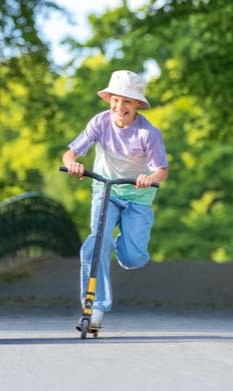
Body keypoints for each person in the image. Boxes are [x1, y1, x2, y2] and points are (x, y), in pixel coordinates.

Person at [61, 70, 169, 328]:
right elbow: (70, 153)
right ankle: (94, 309)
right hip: (106, 191)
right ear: (109, 99)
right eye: (116, 100)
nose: (120, 106)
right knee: (95, 245)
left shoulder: (148, 133)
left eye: (128, 101)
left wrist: (149, 177)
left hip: (138, 197)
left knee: (133, 258)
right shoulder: (99, 122)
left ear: (138, 105)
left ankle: (123, 243)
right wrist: (74, 164)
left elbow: (161, 171)